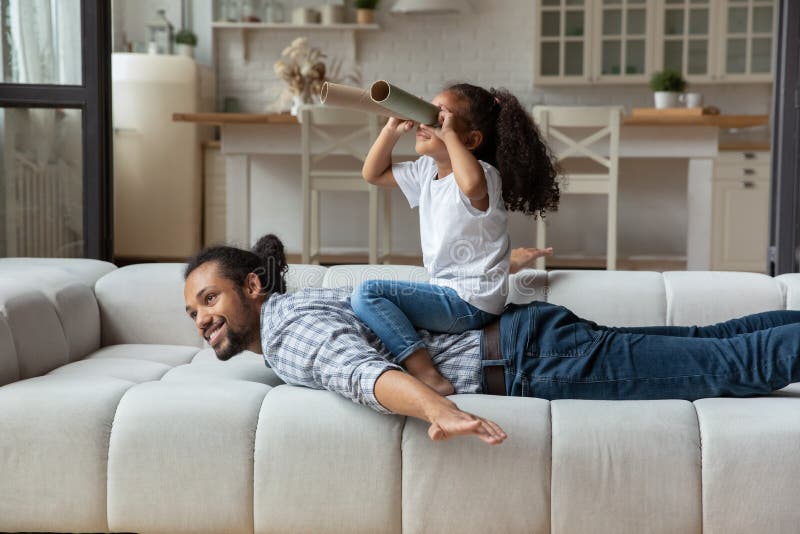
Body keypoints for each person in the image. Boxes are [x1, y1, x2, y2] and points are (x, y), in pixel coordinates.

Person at [183, 235, 800, 446]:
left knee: (726, 363)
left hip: (532, 358)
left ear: (253, 287)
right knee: (712, 344)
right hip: (527, 339)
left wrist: (439, 409)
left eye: (210, 299)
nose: (203, 319)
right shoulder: (297, 306)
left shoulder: (287, 331)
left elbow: (359, 373)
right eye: (192, 312)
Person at [354, 83, 560, 396]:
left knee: (367, 294)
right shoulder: (426, 171)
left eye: (440, 120)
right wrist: (392, 130)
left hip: (471, 301)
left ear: (470, 139)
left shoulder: (483, 174)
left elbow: (471, 184)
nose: (426, 124)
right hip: (450, 295)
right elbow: (372, 174)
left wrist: (448, 136)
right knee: (368, 301)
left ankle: (425, 373)